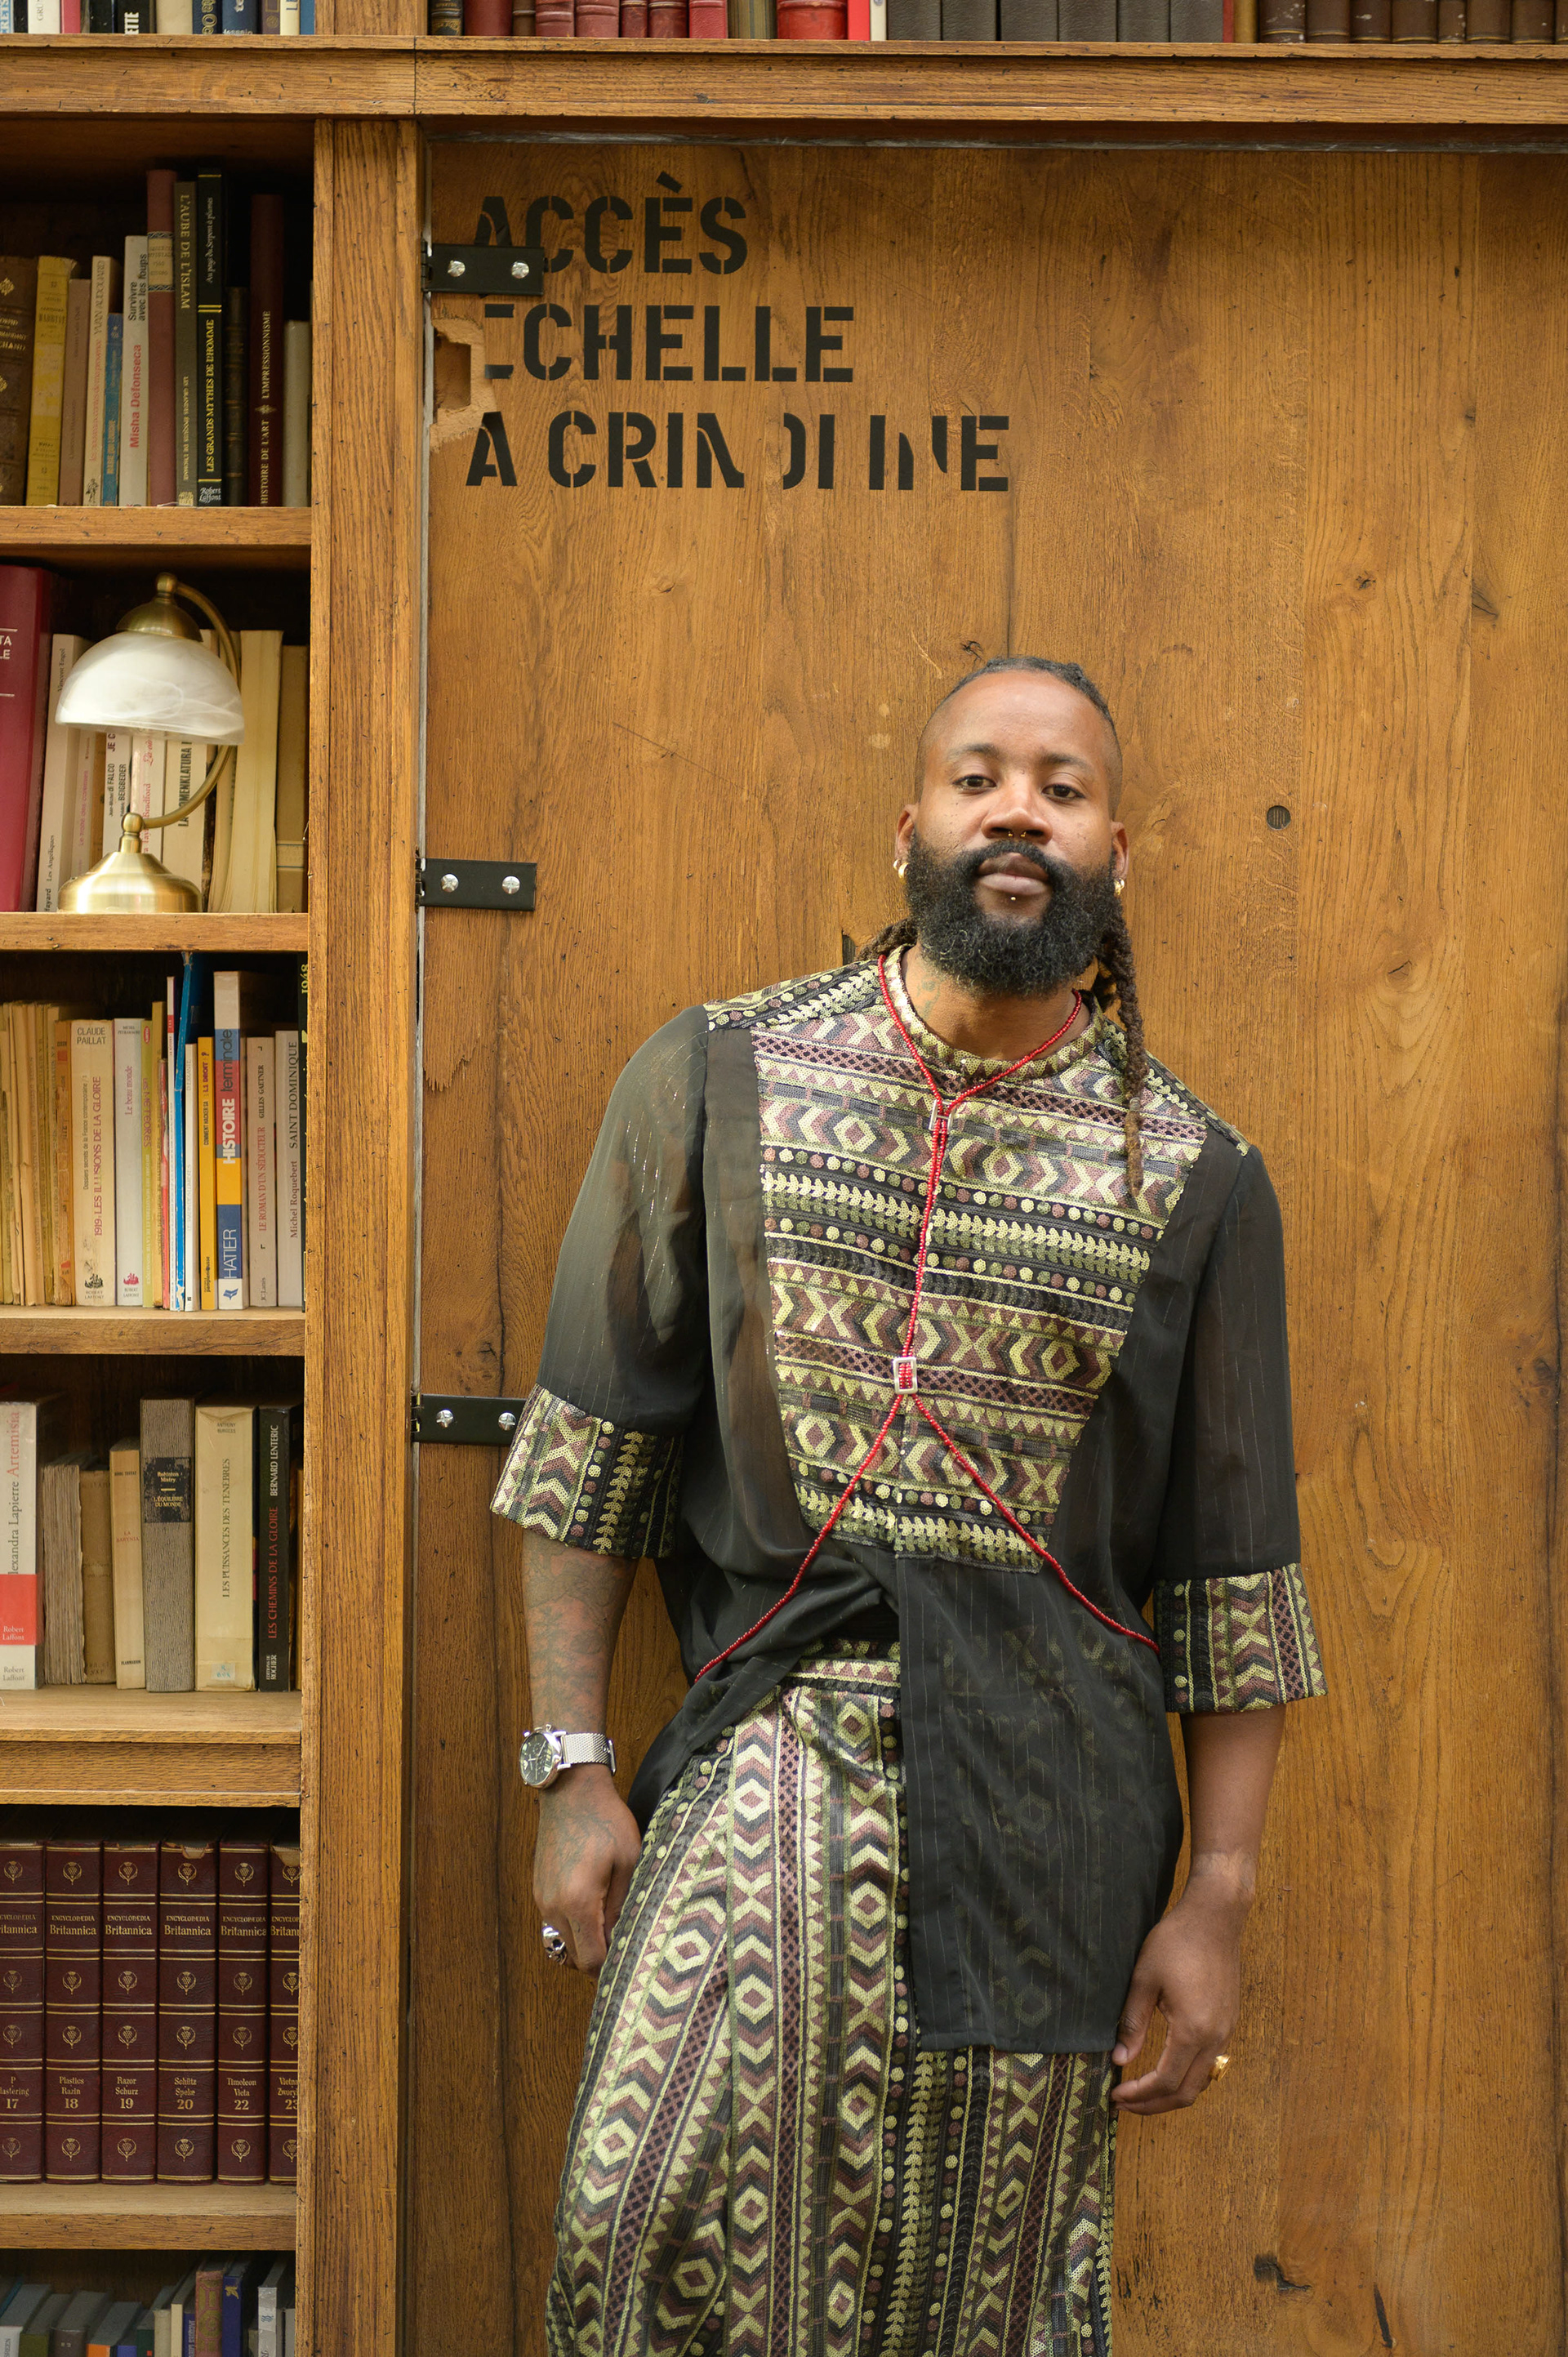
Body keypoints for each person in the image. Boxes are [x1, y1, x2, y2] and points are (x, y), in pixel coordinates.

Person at [492, 655, 1327, 2357]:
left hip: (1053, 1814)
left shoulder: (1195, 1174)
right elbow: (591, 1452)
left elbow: (1231, 1584)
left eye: (1064, 789)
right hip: (767, 1763)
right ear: (912, 827)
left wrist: (1218, 1900)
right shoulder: (718, 1076)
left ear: (1114, 854)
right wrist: (570, 1766)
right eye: (980, 777)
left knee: (979, 2295)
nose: (1020, 811)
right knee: (643, 2240)